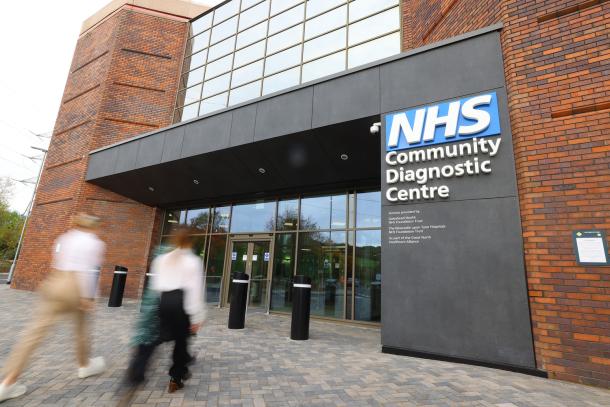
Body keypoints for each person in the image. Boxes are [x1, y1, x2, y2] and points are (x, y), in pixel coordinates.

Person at [0, 213, 107, 403]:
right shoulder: (94, 242)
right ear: (95, 226)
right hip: (75, 286)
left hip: (56, 282)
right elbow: (88, 271)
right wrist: (88, 297)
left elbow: (56, 261)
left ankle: (7, 383)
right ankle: (84, 365)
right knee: (82, 329)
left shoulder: (65, 238)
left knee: (34, 333)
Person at [127, 227, 205, 393]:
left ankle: (138, 368)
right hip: (181, 303)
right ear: (191, 241)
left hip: (164, 301)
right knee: (181, 341)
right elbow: (195, 290)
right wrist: (196, 317)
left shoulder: (162, 259)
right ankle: (175, 378)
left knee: (158, 337)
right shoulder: (193, 261)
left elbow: (156, 285)